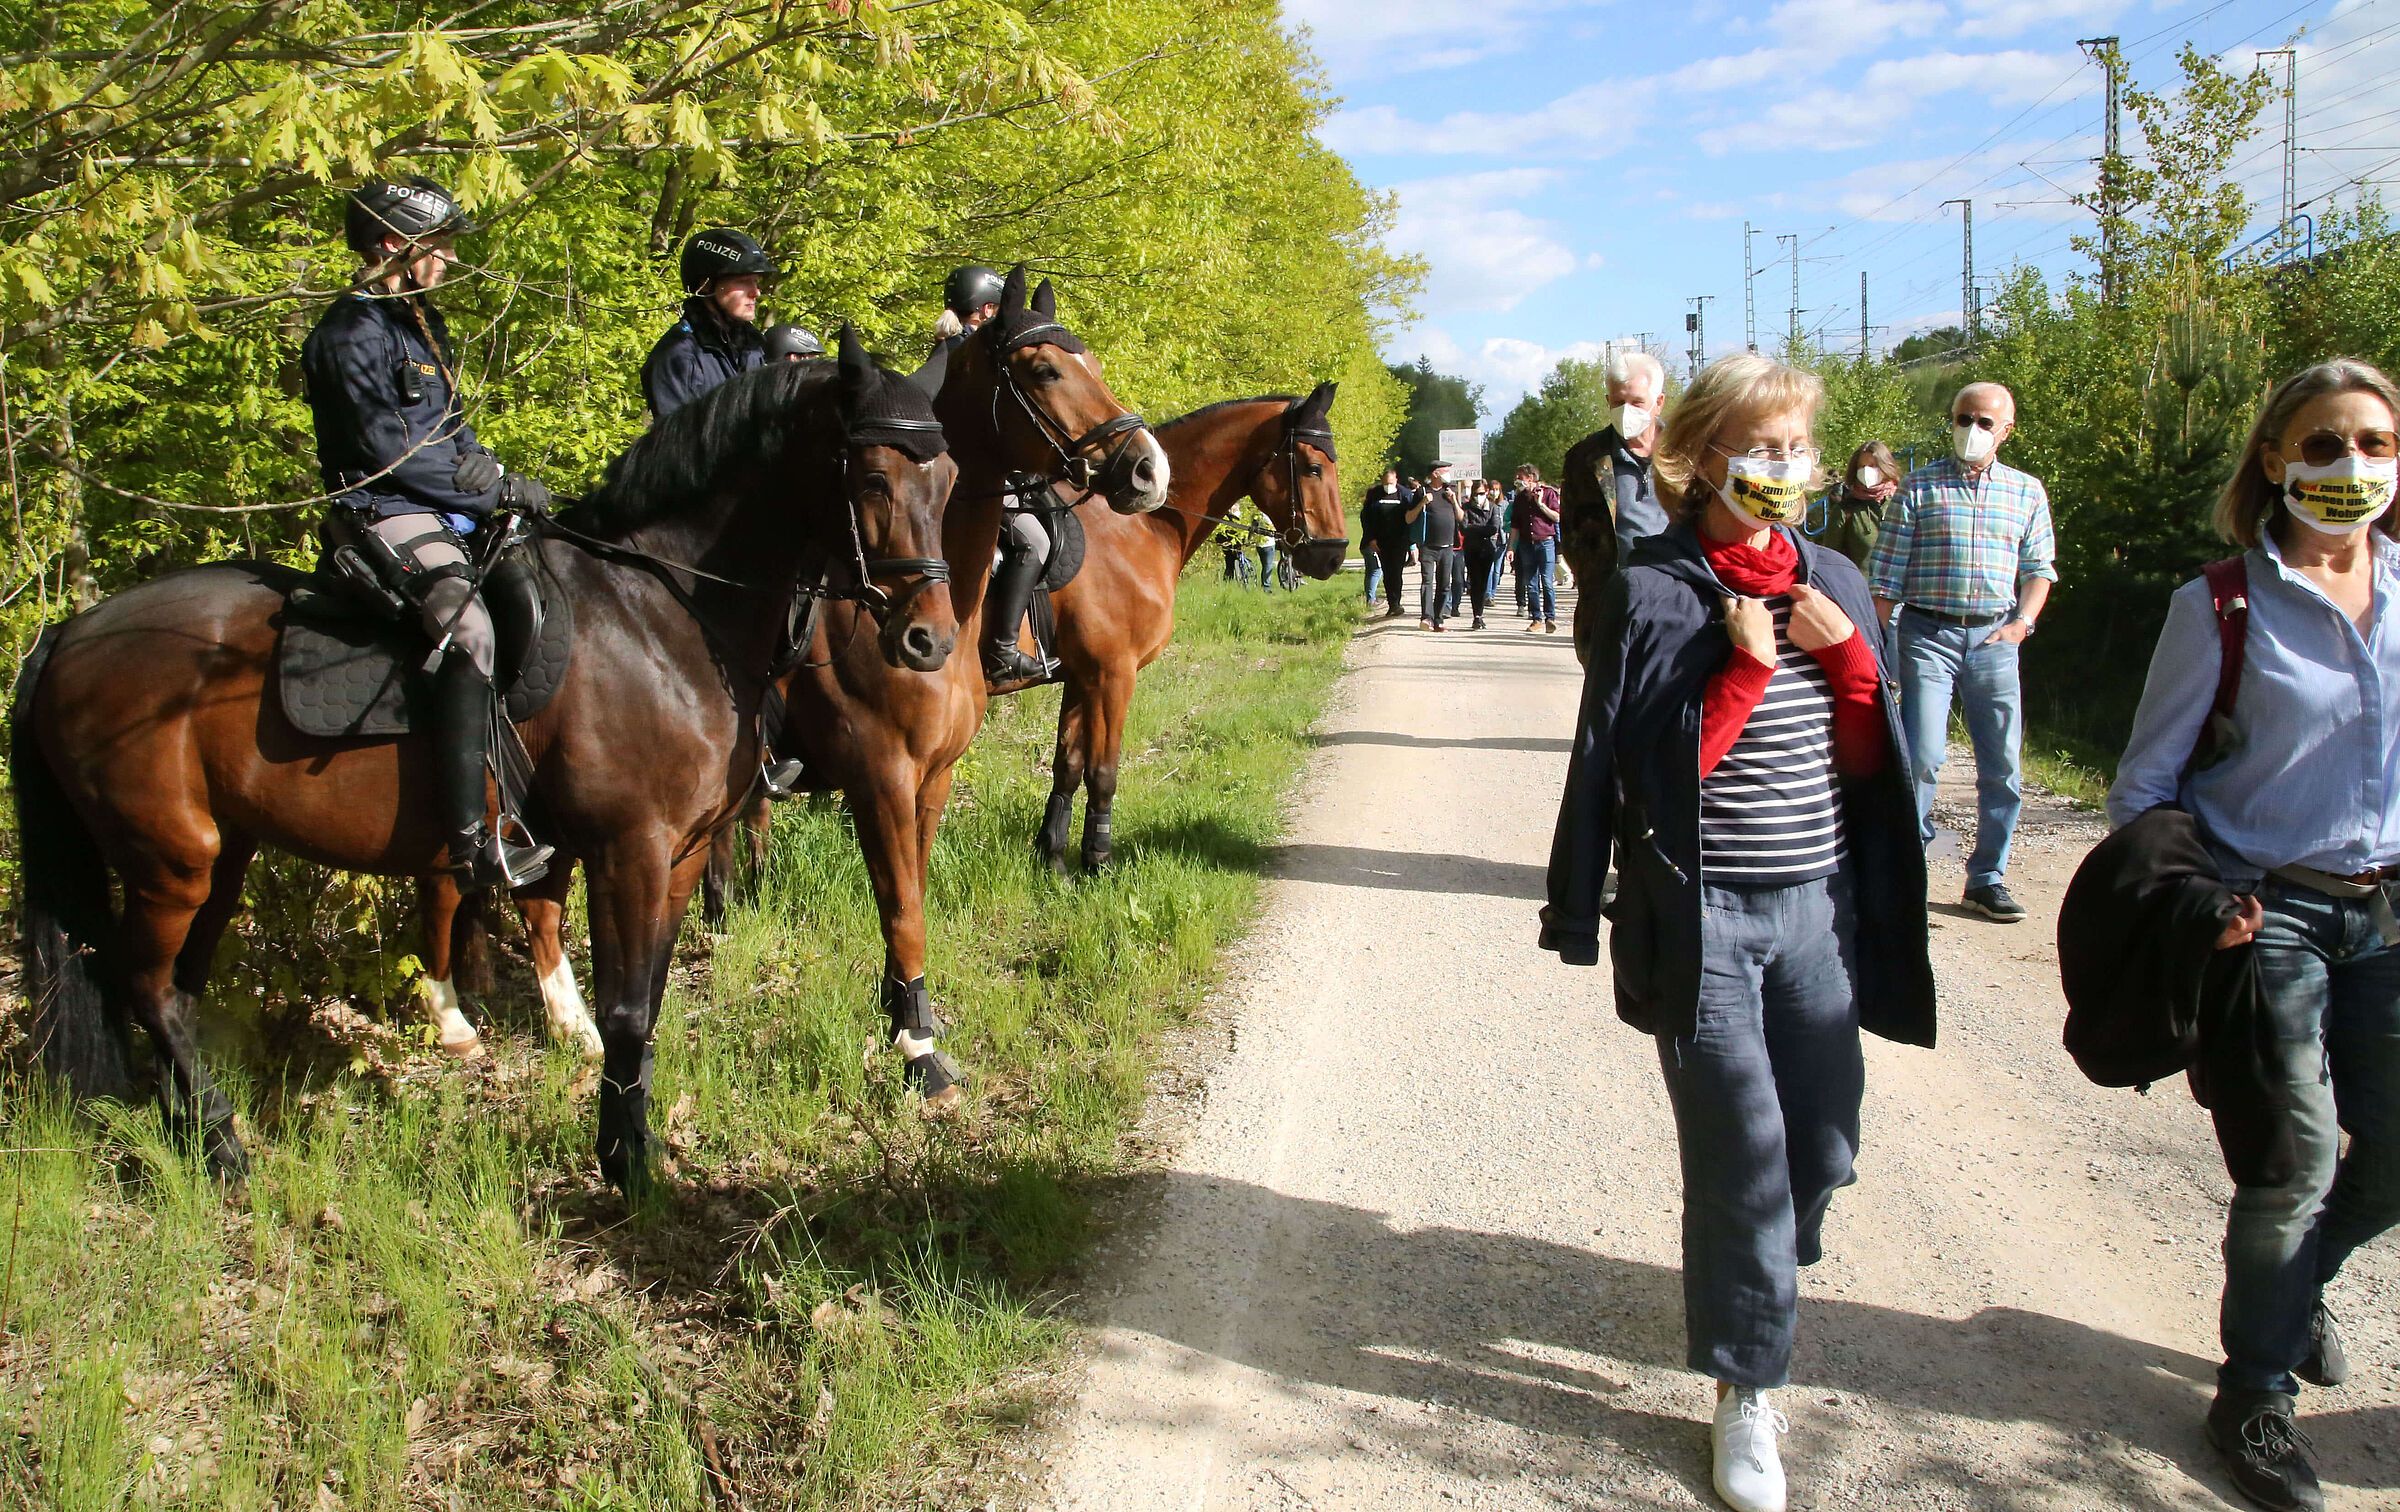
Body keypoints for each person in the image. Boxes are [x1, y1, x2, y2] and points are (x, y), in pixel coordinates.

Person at [1541, 352, 1932, 1512]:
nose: (1784, 467)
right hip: (1702, 918)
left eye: (1798, 447)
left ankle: (1756, 1267)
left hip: (1818, 913)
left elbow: (1867, 762)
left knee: (1825, 1148)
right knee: (1744, 1164)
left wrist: (1848, 662)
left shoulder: (1837, 577)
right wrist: (1743, 678)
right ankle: (1747, 1384)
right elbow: (1633, 779)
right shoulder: (1652, 591)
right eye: (1761, 447)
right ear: (1701, 457)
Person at [2106, 358, 2400, 1512]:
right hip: (2263, 910)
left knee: (2395, 1150)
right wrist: (2197, 907)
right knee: (2295, 1159)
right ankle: (2253, 1396)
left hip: (2389, 913)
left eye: (2375, 443)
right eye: (2323, 443)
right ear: (2274, 459)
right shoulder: (2222, 604)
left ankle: (2294, 1288)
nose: (2350, 465)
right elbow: (2143, 786)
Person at [301, 178, 555, 888]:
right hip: (384, 509)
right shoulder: (349, 334)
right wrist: (488, 489)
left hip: (447, 505)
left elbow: (453, 429)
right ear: (393, 243)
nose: (449, 258)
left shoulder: (420, 323)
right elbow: (389, 451)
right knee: (468, 629)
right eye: (438, 244)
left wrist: (491, 470)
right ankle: (472, 843)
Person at [1866, 381, 2057, 924]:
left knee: (2003, 766)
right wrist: (1876, 649)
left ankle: (1987, 878)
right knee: (1922, 756)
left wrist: (2022, 624)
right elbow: (1886, 577)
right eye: (1963, 418)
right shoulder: (1919, 488)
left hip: (1994, 639)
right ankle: (1909, 873)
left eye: (1984, 422)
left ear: (2006, 431)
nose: (1971, 429)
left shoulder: (2026, 492)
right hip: (1926, 635)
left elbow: (2039, 569)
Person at [1561, 349, 1670, 659]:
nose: (1626, 411)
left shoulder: (1687, 455)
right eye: (1618, 402)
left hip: (1676, 603)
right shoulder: (1586, 458)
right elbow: (1571, 534)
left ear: (1659, 402)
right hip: (1609, 606)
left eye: (1636, 402)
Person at [641, 228, 774, 420]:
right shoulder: (677, 356)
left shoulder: (752, 349)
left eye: (756, 282)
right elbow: (678, 436)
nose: (756, 292)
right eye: (744, 281)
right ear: (706, 285)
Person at [1814, 441, 1898, 570]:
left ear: (1885, 467)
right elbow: (1831, 563)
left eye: (1872, 466)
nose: (1866, 471)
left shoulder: (1901, 504)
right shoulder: (1844, 511)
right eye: (1861, 466)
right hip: (1859, 582)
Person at [1409, 460, 1462, 631]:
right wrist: (1422, 503)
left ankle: (1438, 619)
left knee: (1444, 584)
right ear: (1435, 473)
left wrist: (1454, 501)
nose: (1448, 474)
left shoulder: (1450, 491)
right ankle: (1426, 617)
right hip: (1428, 546)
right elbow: (1409, 518)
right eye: (1445, 471)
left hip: (1448, 546)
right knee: (1427, 581)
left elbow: (1461, 517)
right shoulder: (1422, 492)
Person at [1513, 463, 1562, 634]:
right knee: (1531, 583)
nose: (1517, 480)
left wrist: (1541, 504)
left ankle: (1550, 618)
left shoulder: (1548, 493)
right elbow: (1515, 525)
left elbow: (1557, 517)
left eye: (1520, 477)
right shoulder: (1520, 498)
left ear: (1531, 478)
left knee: (1547, 581)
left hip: (1545, 542)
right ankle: (1536, 618)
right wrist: (1511, 548)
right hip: (1526, 544)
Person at [1362, 468, 1415, 619]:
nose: (1388, 486)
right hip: (1380, 542)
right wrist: (1370, 538)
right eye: (1385, 483)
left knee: (1396, 572)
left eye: (1390, 483)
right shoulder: (1374, 495)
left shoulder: (1405, 494)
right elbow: (1366, 518)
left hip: (1400, 540)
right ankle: (1392, 603)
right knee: (1387, 571)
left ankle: (1396, 603)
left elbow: (1411, 517)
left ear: (1396, 480)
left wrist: (1411, 543)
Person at [1460, 480, 1502, 629]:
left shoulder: (1493, 508)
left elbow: (1493, 528)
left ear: (1487, 492)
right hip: (1471, 549)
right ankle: (1476, 616)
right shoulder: (1466, 507)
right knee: (1475, 581)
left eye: (1482, 493)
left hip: (1487, 550)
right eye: (1476, 494)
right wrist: (1482, 528)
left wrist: (1474, 528)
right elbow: (1464, 528)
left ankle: (1480, 613)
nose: (1479, 496)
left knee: (1483, 583)